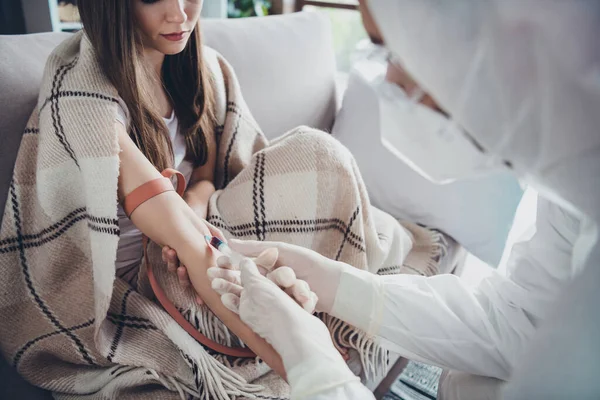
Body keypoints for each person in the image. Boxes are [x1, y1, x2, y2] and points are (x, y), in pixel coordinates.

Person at [205, 0, 600, 399]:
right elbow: (520, 322)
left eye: (391, 48)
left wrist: (308, 354)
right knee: (467, 383)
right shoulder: (577, 182)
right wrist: (327, 280)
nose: (388, 78)